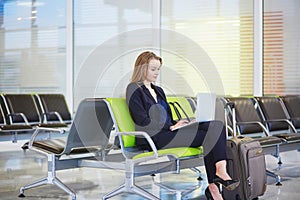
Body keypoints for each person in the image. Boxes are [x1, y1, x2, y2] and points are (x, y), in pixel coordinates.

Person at [126, 51, 239, 200]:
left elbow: (168, 118)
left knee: (216, 126)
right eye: (153, 69)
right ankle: (215, 184)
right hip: (153, 137)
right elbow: (142, 120)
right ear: (142, 68)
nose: (157, 73)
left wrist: (179, 124)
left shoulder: (158, 90)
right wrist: (169, 127)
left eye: (158, 69)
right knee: (209, 136)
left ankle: (219, 173)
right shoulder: (134, 89)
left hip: (168, 132)